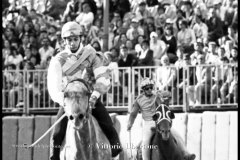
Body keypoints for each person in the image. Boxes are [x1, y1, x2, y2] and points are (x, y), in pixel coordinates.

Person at [47, 21, 122, 160]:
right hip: (69, 101)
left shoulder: (91, 54)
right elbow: (53, 86)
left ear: (80, 38)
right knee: (57, 133)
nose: (72, 42)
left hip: (89, 98)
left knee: (107, 124)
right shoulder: (58, 60)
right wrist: (64, 101)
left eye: (75, 39)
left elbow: (102, 77)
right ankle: (55, 155)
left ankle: (115, 148)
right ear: (64, 41)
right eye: (69, 39)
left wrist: (94, 96)